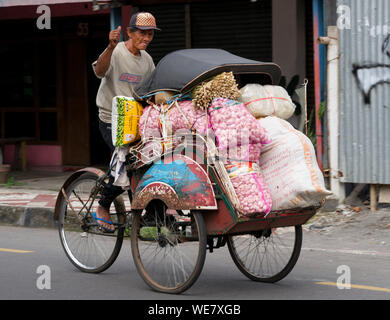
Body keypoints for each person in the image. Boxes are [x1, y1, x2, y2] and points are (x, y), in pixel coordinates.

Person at [92, 12, 160, 232]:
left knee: (151, 162)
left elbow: (151, 91)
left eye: (150, 34)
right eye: (142, 33)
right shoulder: (117, 51)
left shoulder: (147, 60)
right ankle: (102, 206)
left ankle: (144, 215)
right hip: (111, 120)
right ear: (130, 33)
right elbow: (99, 71)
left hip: (135, 121)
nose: (147, 38)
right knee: (127, 163)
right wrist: (110, 47)